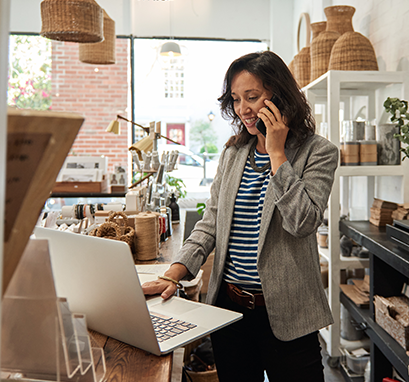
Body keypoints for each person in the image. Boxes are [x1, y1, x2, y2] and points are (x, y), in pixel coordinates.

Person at [141, 50, 338, 381]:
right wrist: (174, 272)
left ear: (279, 95)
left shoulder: (317, 152)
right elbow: (210, 224)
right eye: (235, 99)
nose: (243, 109)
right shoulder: (233, 154)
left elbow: (303, 222)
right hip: (229, 313)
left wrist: (276, 153)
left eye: (253, 97)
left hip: (289, 316)